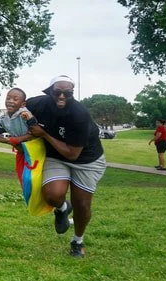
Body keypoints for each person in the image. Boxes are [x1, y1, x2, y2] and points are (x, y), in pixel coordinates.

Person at [26, 75, 107, 258]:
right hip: (56, 156)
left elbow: (72, 153)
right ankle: (62, 209)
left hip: (86, 160)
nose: (62, 96)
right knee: (53, 195)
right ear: (49, 92)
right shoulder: (38, 104)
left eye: (67, 93)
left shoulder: (79, 114)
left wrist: (44, 134)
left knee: (82, 205)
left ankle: (77, 241)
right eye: (57, 92)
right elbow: (19, 110)